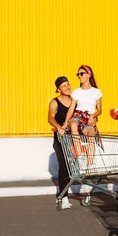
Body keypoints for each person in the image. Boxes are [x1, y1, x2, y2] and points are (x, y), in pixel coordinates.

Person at [64, 65, 102, 166]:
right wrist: (65, 123)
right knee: (73, 124)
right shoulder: (77, 92)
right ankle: (79, 155)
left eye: (81, 73)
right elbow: (71, 109)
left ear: (89, 75)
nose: (79, 76)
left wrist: (92, 116)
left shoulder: (96, 92)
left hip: (88, 118)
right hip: (77, 116)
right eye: (78, 74)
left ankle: (89, 165)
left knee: (91, 135)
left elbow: (99, 110)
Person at [48, 76, 73, 209]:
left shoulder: (74, 101)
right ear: (58, 89)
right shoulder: (55, 102)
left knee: (71, 168)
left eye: (68, 85)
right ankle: (64, 196)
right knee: (64, 166)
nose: (68, 87)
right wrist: (59, 128)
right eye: (64, 86)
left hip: (73, 139)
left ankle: (65, 193)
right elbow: (50, 118)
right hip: (60, 140)